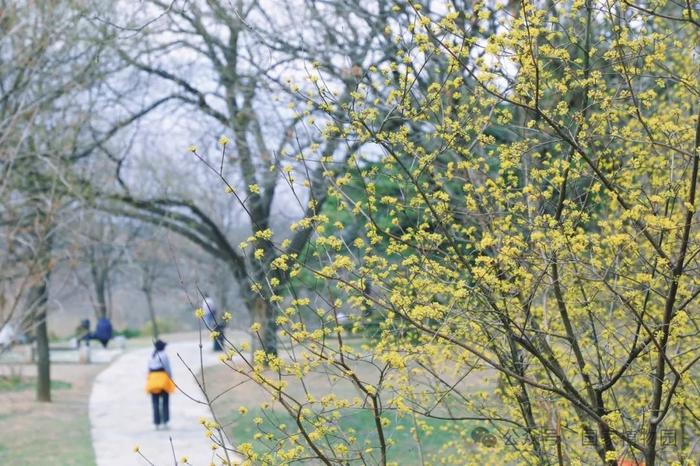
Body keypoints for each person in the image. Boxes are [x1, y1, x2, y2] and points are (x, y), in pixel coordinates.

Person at [145, 339, 175, 430]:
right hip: (162, 379)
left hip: (153, 379)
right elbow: (167, 368)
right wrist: (170, 378)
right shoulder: (164, 355)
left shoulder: (151, 356)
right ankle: (165, 421)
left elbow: (148, 369)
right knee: (165, 401)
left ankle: (156, 422)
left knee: (155, 402)